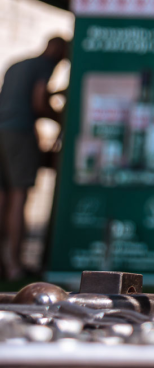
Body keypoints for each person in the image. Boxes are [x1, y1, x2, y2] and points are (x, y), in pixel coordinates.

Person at [0, 36, 68, 280]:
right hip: (19, 133)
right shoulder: (44, 65)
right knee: (19, 197)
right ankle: (14, 265)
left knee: (3, 197)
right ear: (58, 49)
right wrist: (61, 119)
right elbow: (39, 101)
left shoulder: (17, 63)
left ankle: (3, 261)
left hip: (2, 129)